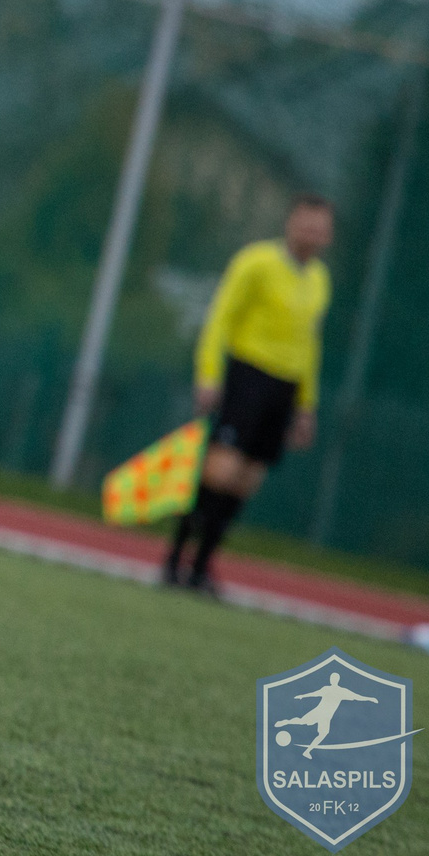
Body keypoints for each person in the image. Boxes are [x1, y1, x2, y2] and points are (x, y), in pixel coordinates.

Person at [163, 193, 334, 595]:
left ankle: (201, 568)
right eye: (307, 223)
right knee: (220, 471)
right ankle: (173, 561)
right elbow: (220, 318)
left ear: (328, 235)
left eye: (321, 227)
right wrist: (208, 374)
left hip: (284, 388)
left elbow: (310, 346)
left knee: (247, 479)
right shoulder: (256, 262)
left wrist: (305, 407)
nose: (312, 232)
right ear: (291, 222)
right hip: (248, 375)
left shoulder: (319, 281)